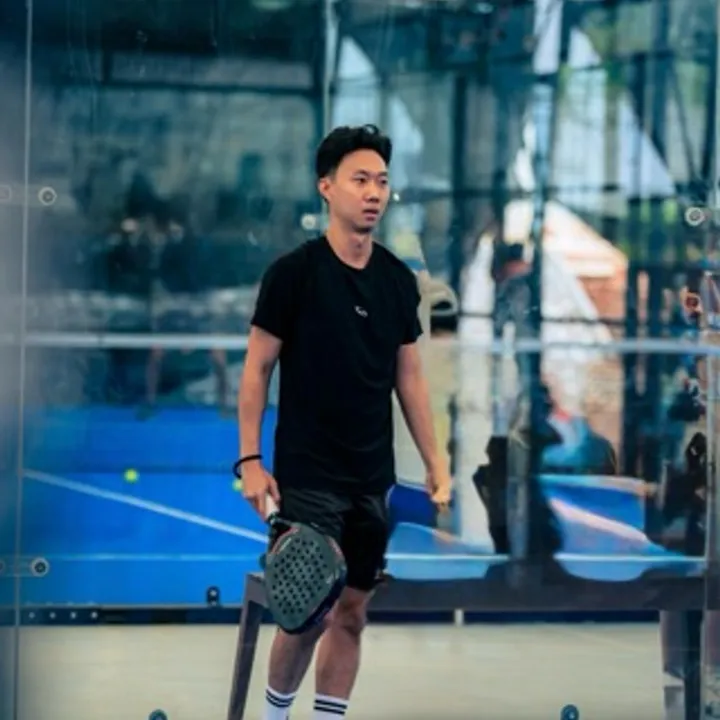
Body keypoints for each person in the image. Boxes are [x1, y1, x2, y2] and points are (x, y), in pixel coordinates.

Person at [238, 124, 452, 720]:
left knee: (352, 615)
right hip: (307, 476)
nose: (374, 192)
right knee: (309, 611)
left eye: (381, 181)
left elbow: (410, 378)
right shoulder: (293, 274)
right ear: (326, 187)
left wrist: (436, 463)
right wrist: (250, 461)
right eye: (360, 180)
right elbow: (256, 369)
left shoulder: (397, 281)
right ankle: (275, 716)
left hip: (370, 480)